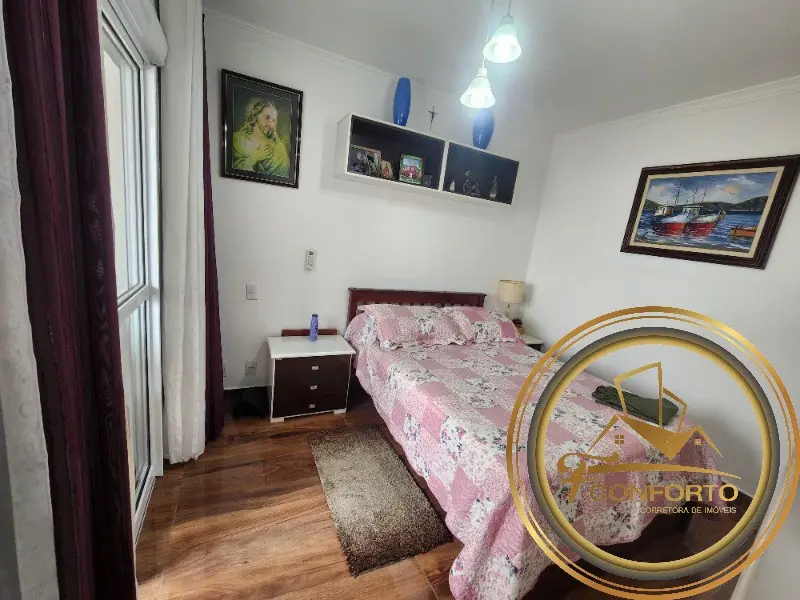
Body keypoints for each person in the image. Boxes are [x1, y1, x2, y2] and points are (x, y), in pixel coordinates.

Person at [232, 100, 290, 177]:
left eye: (274, 121)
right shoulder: (237, 139)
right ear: (256, 116)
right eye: (267, 117)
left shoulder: (279, 149)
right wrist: (254, 158)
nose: (271, 124)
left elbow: (281, 178)